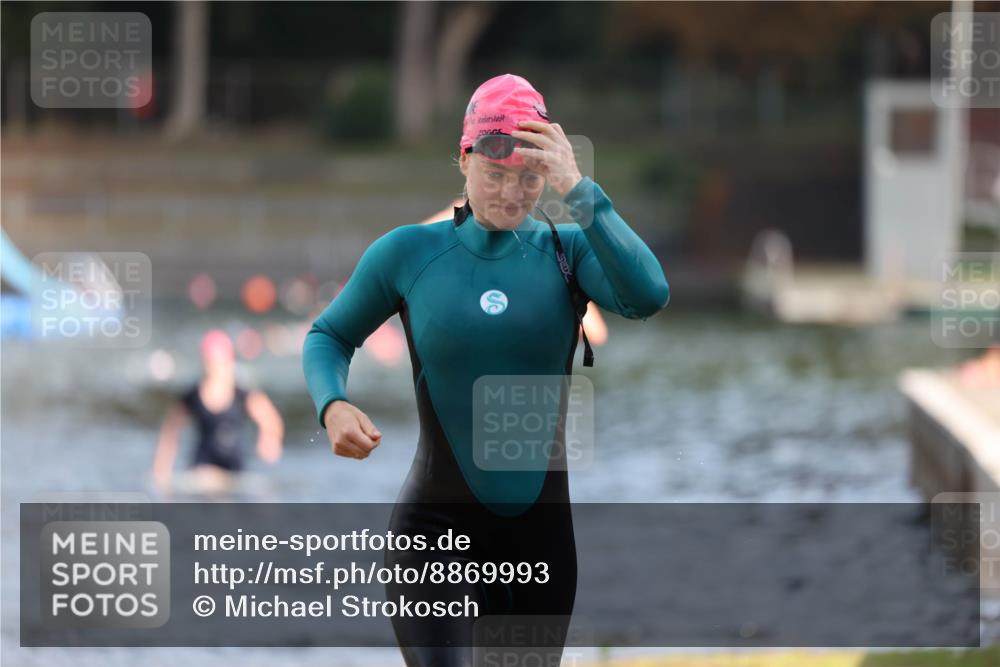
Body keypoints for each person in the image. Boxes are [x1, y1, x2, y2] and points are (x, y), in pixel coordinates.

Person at [303, 73, 669, 666]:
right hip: (432, 535)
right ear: (464, 161)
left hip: (538, 546)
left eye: (529, 179)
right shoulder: (408, 254)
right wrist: (333, 403)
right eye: (494, 175)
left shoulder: (569, 251)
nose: (509, 192)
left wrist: (578, 187)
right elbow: (329, 336)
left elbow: (649, 294)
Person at [152, 329, 283, 497]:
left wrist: (269, 441)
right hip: (203, 468)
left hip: (235, 470)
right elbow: (171, 431)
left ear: (229, 361)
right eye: (211, 362)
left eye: (220, 362)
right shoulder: (192, 396)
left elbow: (270, 420)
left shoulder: (243, 393)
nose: (216, 367)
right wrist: (162, 468)